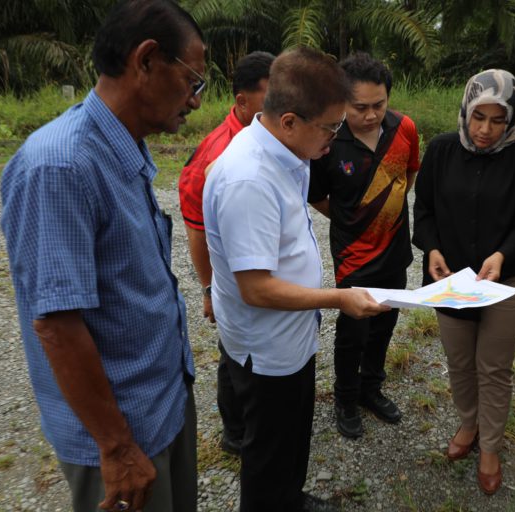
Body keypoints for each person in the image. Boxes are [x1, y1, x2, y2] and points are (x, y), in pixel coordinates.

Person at [0, 1, 205, 510]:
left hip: (159, 405)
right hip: (122, 433)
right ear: (146, 61)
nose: (196, 102)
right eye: (193, 82)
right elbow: (57, 324)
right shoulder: (61, 166)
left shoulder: (125, 144)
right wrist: (116, 447)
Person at [202, 47, 389, 512]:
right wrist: (339, 298)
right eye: (329, 127)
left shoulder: (287, 152)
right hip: (266, 352)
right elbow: (257, 288)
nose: (335, 136)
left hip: (291, 339)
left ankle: (290, 497)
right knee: (268, 453)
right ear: (288, 121)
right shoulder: (250, 179)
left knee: (291, 438)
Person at [412, 69, 515, 494]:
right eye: (478, 117)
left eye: (496, 119)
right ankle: (468, 425)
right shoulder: (441, 150)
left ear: (511, 117)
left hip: (507, 277)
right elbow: (425, 209)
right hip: (452, 276)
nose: (485, 129)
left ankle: (490, 445)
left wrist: (502, 254)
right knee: (459, 360)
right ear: (465, 111)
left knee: (493, 365)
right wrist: (432, 249)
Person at [308, 52, 420, 438]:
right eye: (360, 107)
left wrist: (385, 216)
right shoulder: (328, 140)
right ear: (342, 101)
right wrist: (352, 221)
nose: (371, 115)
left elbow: (408, 175)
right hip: (353, 258)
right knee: (353, 331)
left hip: (395, 253)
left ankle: (372, 389)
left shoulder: (404, 128)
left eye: (378, 105)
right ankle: (345, 396)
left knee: (385, 324)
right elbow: (318, 196)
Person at [178, 50, 274, 456]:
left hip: (264, 274)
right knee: (233, 352)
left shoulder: (272, 137)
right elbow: (196, 232)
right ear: (242, 102)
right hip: (232, 283)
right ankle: (235, 433)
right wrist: (208, 289)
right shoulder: (215, 155)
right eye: (272, 99)